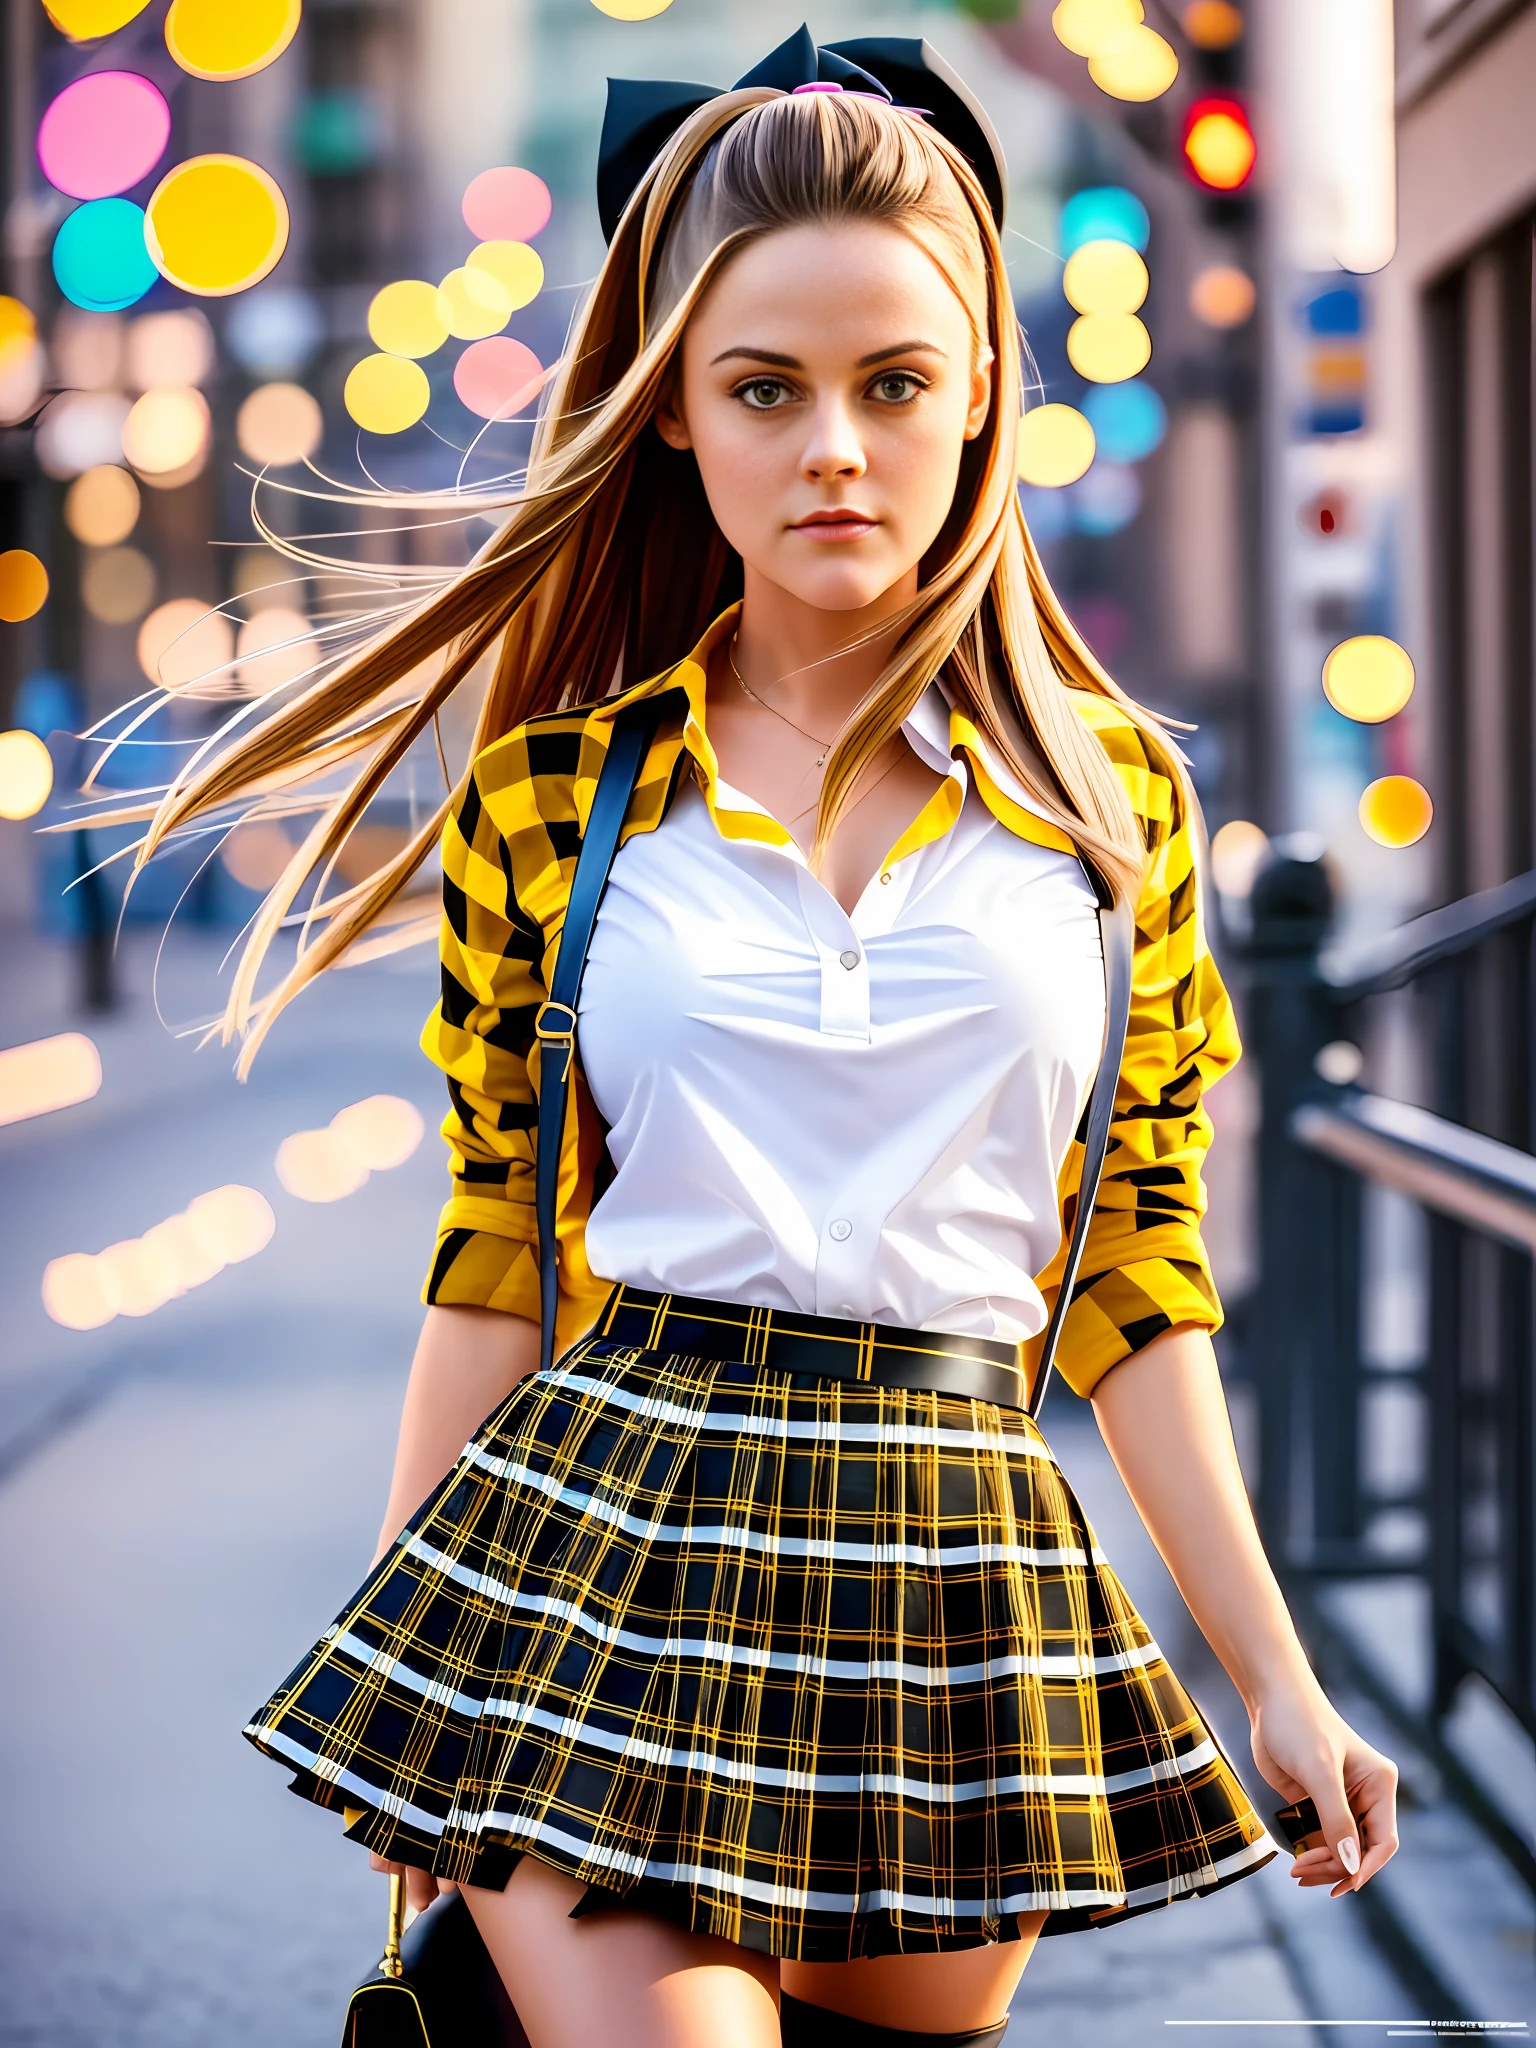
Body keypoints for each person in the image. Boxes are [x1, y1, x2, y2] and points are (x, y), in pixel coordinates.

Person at [150, 29, 1399, 2047]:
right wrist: (414, 1685)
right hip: (610, 1542)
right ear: (672, 422)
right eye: (764, 388)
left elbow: (1140, 1281)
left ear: (981, 389)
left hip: (949, 1553)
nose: (836, 444)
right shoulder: (559, 801)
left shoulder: (1112, 819)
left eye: (893, 383)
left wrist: (1280, 1675)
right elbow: (495, 1254)